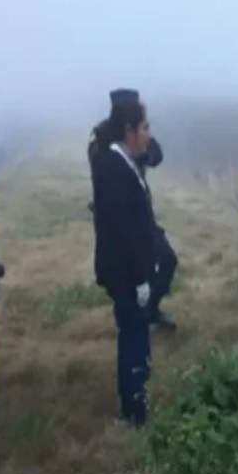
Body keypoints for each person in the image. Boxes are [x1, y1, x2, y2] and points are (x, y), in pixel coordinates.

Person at [87, 88, 178, 331]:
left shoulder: (137, 134)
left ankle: (150, 310)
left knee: (166, 260)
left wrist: (140, 153)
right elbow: (103, 173)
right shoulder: (102, 142)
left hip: (139, 210)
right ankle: (133, 315)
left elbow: (157, 155)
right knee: (127, 270)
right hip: (119, 214)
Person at [91, 98, 157, 426]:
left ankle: (138, 402)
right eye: (144, 128)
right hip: (126, 274)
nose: (149, 135)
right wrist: (139, 277)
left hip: (133, 272)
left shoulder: (126, 163)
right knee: (132, 338)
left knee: (137, 335)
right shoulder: (113, 168)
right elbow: (122, 230)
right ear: (129, 130)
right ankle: (133, 411)